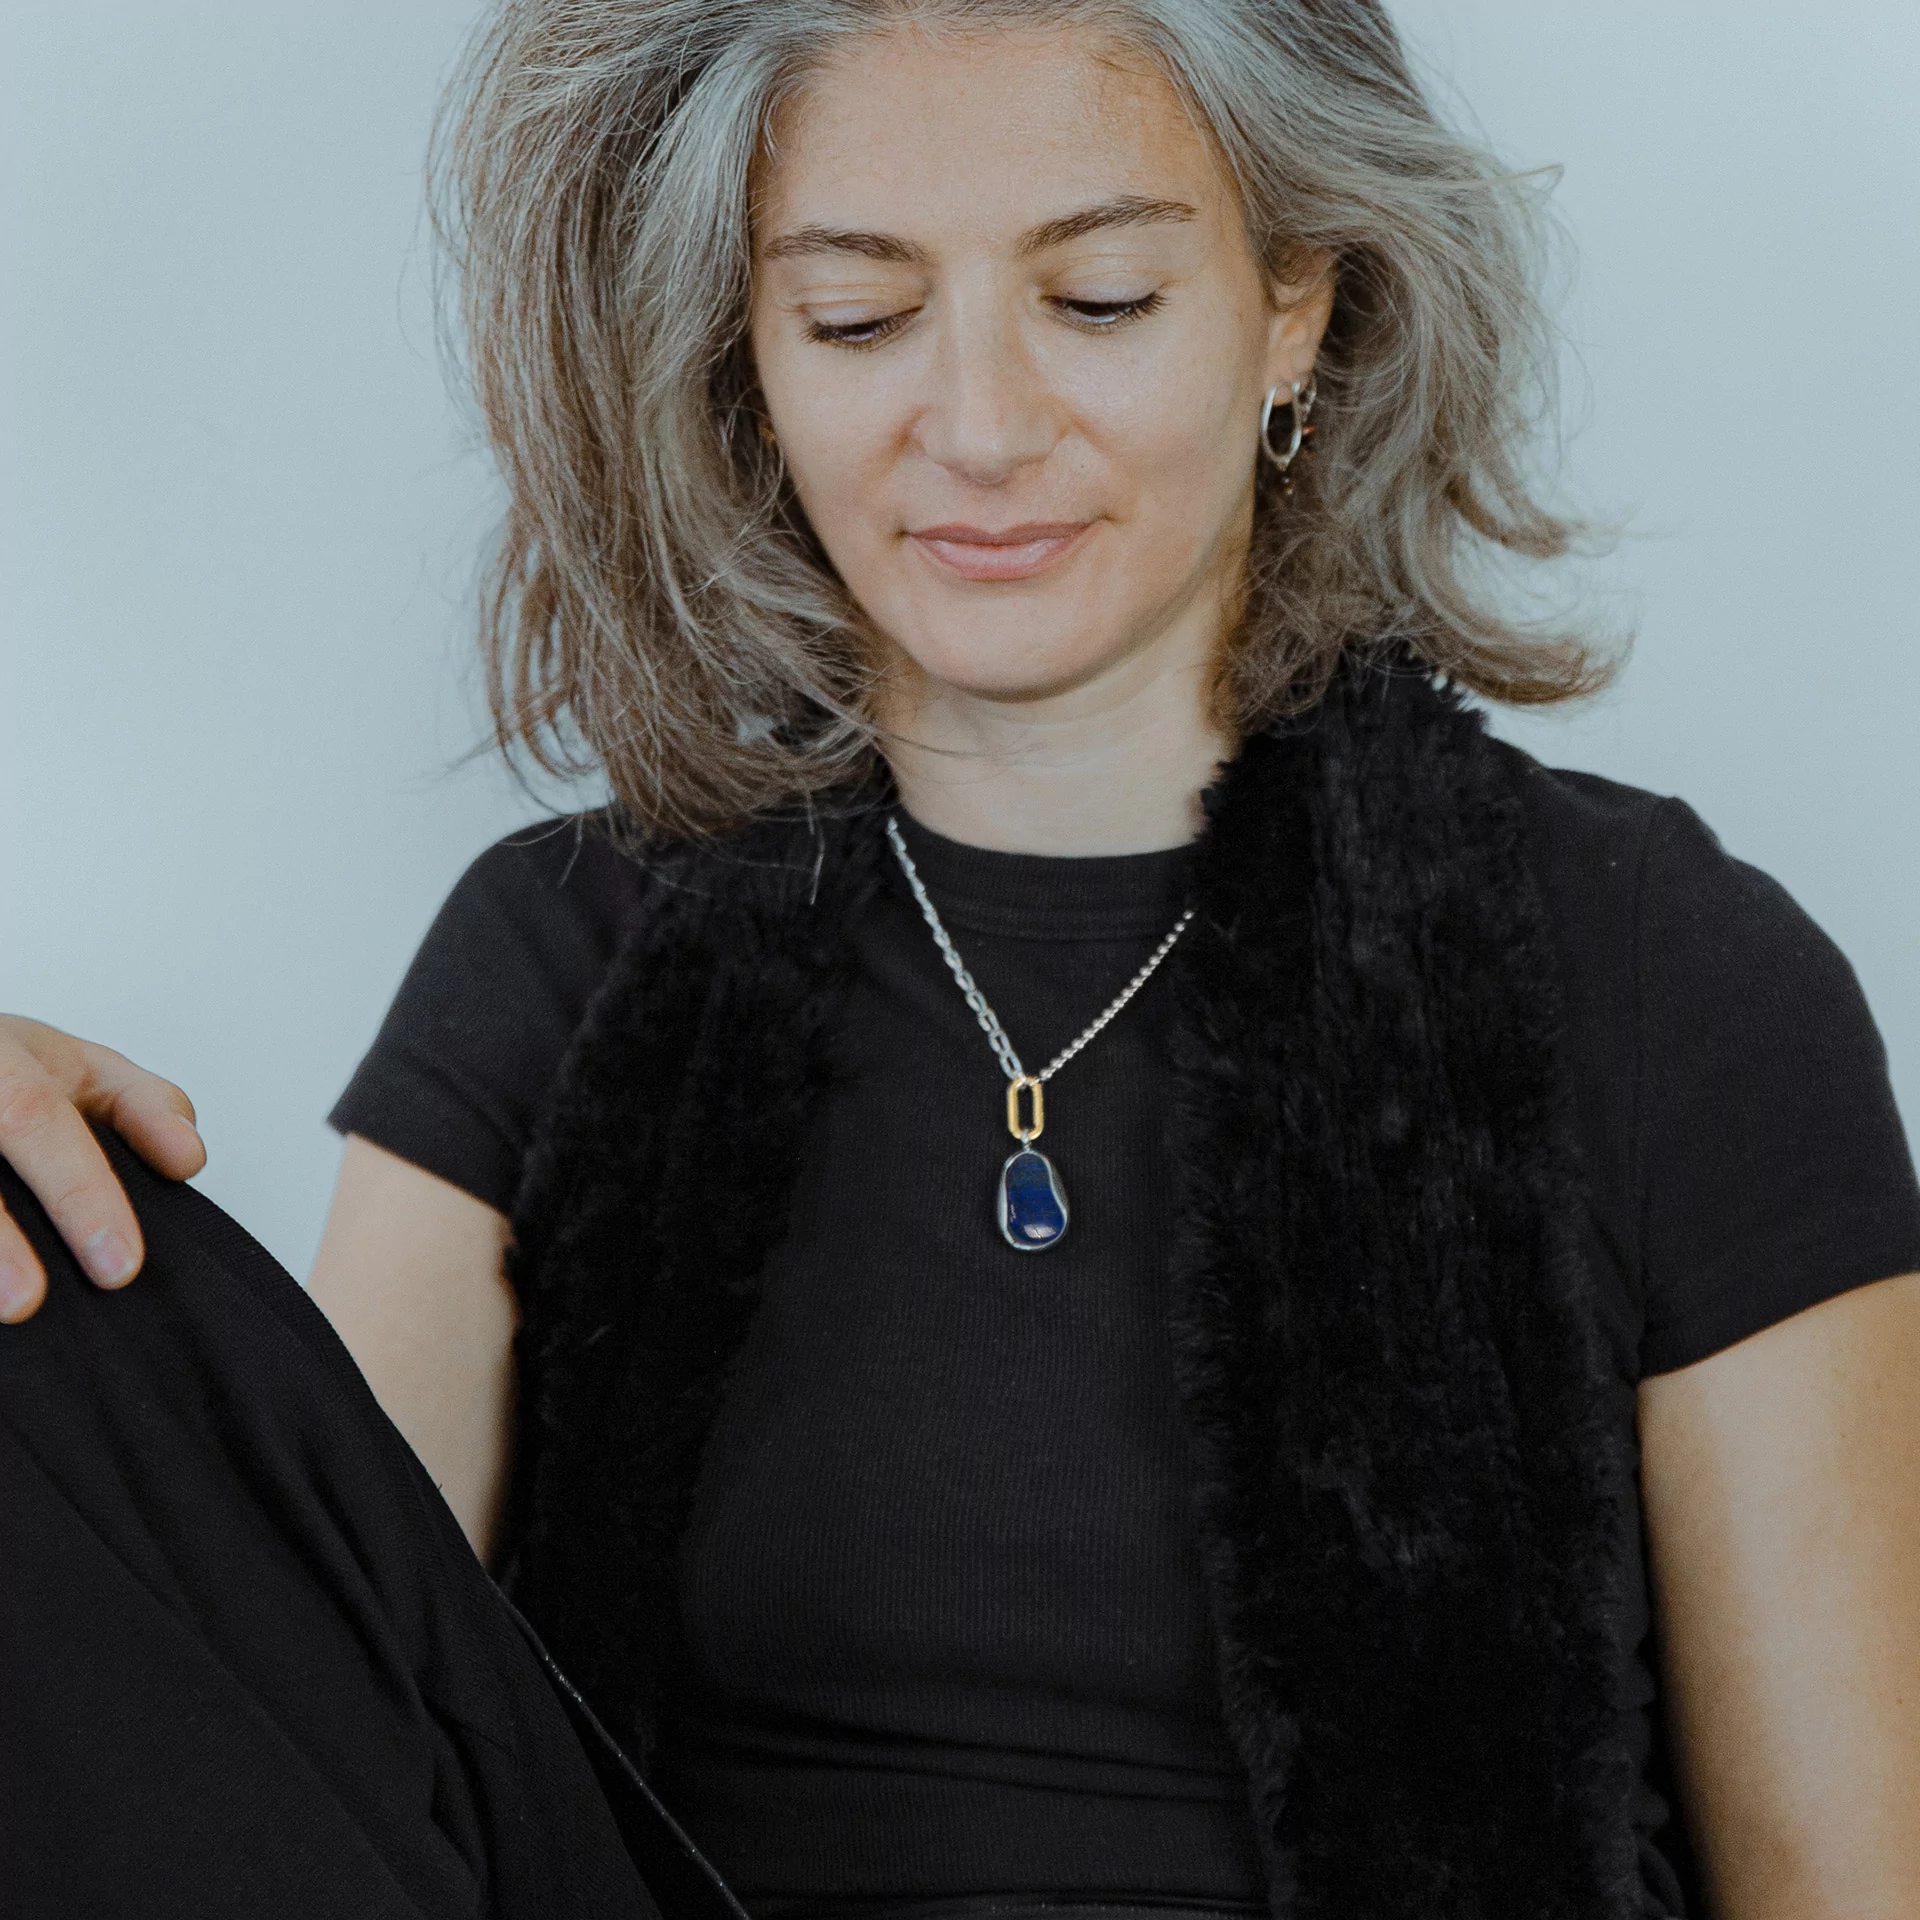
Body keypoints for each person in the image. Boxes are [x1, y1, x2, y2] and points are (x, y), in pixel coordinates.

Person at [4, 2, 1920, 1916]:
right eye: (858, 319)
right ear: (748, 355)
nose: (983, 428)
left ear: (1296, 306)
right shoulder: (561, 954)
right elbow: (298, 1731)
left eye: (1098, 301)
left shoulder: (1673, 980)